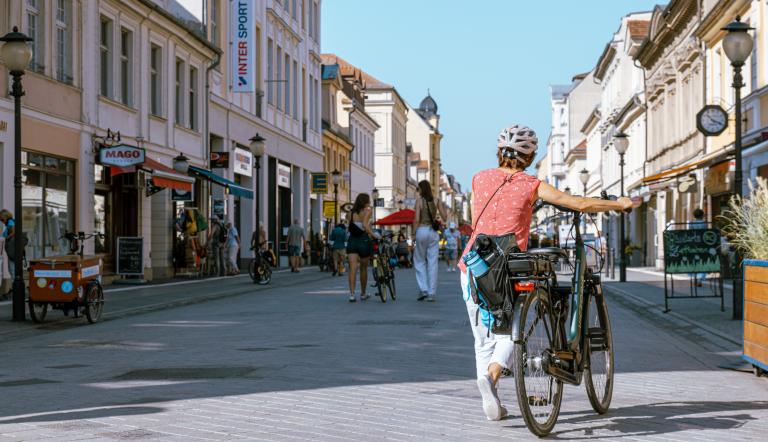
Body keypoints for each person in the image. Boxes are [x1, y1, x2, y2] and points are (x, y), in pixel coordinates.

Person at [459, 124, 632, 421]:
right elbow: (577, 203)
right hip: (508, 266)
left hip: (473, 265)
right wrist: (618, 204)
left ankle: (492, 401)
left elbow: (479, 222)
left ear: (500, 152)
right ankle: (492, 376)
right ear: (529, 157)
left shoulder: (478, 179)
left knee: (482, 338)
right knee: (513, 328)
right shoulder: (531, 184)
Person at [412, 180, 447, 302]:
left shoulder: (419, 202)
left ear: (421, 189)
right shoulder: (436, 200)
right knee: (433, 262)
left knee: (419, 260)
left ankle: (424, 289)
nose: (418, 191)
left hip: (421, 230)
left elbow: (416, 219)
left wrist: (413, 233)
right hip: (433, 232)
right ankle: (432, 292)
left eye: (418, 189)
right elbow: (445, 217)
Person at [346, 193, 378, 302]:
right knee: (363, 268)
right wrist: (374, 235)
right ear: (365, 201)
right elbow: (365, 225)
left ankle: (352, 294)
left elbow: (349, 226)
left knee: (352, 268)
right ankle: (363, 293)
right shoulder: (368, 211)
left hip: (352, 241)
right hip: (363, 240)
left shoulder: (350, 213)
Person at [689, 208, 707, 286]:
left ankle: (694, 278)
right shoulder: (704, 224)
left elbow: (689, 234)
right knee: (702, 262)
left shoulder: (691, 224)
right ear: (702, 215)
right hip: (702, 245)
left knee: (694, 262)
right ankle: (700, 280)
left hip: (693, 245)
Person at [1, 209, 17, 279]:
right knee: (11, 269)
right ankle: (14, 286)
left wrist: (6, 238)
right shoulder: (9, 223)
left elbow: (14, 232)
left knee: (12, 269)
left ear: (5, 217)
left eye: (2, 219)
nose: (1, 221)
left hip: (12, 249)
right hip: (11, 249)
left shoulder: (10, 221)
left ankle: (15, 288)